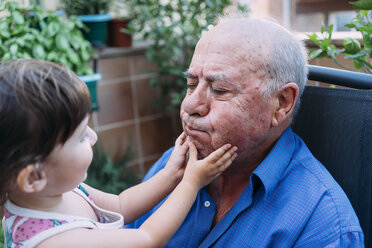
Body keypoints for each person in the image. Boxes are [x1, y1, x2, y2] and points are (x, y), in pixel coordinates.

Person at [128, 16, 365, 247]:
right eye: (191, 85)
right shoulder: (171, 167)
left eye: (219, 90)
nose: (189, 106)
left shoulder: (321, 226)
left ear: (281, 103)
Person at [0, 59, 238, 248]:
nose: (93, 138)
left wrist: (170, 175)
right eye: (81, 136)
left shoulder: (60, 190)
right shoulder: (53, 241)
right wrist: (191, 184)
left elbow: (120, 205)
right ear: (33, 178)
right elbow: (147, 239)